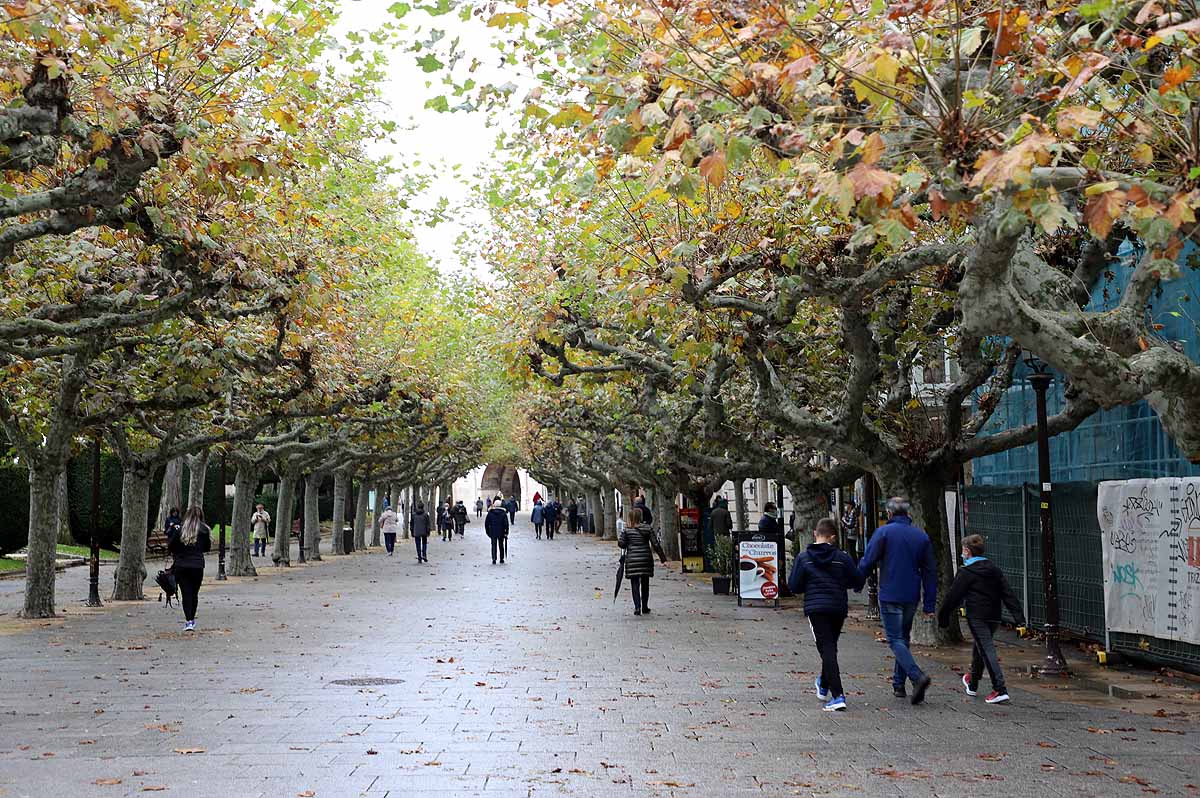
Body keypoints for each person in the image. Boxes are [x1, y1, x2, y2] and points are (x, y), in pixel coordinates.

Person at [857, 497, 938, 705]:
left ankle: (916, 675)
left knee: (895, 640)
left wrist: (857, 582)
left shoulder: (884, 532)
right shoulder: (920, 536)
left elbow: (868, 560)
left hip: (890, 592)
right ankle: (898, 684)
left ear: (890, 513)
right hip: (911, 594)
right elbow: (930, 572)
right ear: (908, 513)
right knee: (903, 639)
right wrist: (929, 603)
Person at [938, 534, 1027, 705]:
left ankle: (1000, 689)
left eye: (963, 551)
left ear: (966, 551)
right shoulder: (993, 569)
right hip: (994, 615)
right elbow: (1007, 593)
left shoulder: (966, 572)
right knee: (980, 648)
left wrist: (943, 617)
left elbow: (952, 597)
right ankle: (972, 683)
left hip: (977, 616)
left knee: (986, 650)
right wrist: (1018, 617)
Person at [788, 518, 866, 712]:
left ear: (816, 533)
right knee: (830, 647)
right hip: (837, 607)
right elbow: (856, 581)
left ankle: (838, 695)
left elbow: (794, 586)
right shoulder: (842, 557)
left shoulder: (804, 557)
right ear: (833, 537)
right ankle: (823, 684)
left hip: (816, 608)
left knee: (827, 649)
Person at [167, 507, 211, 632]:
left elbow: (171, 546)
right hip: (197, 565)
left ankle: (189, 621)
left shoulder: (180, 529)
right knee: (194, 593)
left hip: (182, 565)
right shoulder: (204, 530)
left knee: (186, 593)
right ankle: (192, 619)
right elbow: (206, 548)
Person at [618, 507, 667, 616]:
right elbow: (655, 544)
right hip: (645, 558)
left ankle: (637, 607)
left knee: (635, 584)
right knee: (645, 583)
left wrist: (625, 537)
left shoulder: (627, 530)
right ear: (641, 517)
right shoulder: (647, 528)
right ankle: (645, 606)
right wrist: (663, 558)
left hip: (632, 559)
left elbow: (621, 544)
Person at [485, 499, 510, 564]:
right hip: (501, 531)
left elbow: (486, 523)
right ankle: (501, 558)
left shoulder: (490, 513)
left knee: (493, 545)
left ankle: (494, 559)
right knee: (501, 545)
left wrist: (488, 532)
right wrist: (506, 532)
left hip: (493, 531)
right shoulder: (503, 513)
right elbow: (506, 524)